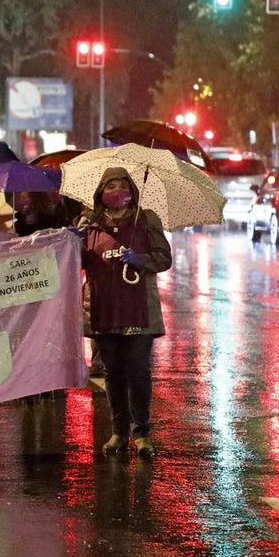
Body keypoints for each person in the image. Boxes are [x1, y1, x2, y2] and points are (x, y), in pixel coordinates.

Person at [79, 167, 171, 458]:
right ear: (100, 193)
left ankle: (141, 433)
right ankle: (118, 432)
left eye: (121, 185)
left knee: (138, 371)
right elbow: (76, 260)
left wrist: (140, 259)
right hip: (104, 309)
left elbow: (163, 258)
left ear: (132, 189)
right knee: (113, 372)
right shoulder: (90, 223)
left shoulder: (146, 219)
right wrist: (76, 239)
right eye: (110, 186)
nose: (116, 191)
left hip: (138, 310)